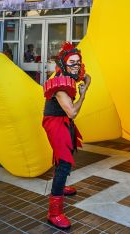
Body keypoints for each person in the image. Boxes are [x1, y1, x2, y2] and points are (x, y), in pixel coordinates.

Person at [42, 42, 91, 229]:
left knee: (67, 155)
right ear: (63, 64)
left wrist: (85, 81)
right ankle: (54, 213)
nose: (76, 66)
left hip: (64, 120)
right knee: (64, 163)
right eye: (72, 62)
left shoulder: (72, 73)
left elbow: (87, 76)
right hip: (56, 122)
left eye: (78, 62)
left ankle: (61, 187)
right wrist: (83, 95)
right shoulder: (61, 86)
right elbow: (72, 112)